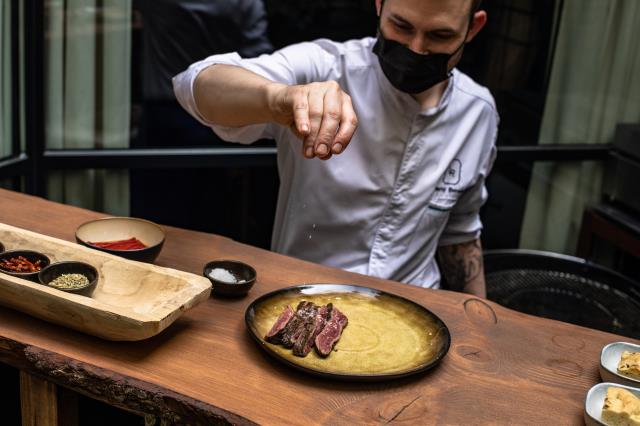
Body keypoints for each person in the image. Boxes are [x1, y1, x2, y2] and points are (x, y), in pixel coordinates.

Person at [173, 0, 497, 297]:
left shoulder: (478, 112)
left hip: (416, 309)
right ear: (379, 5)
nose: (417, 48)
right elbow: (197, 85)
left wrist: (479, 325)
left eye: (440, 36)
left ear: (473, 28)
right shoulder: (325, 66)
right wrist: (279, 99)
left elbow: (461, 234)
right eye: (401, 26)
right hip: (305, 298)